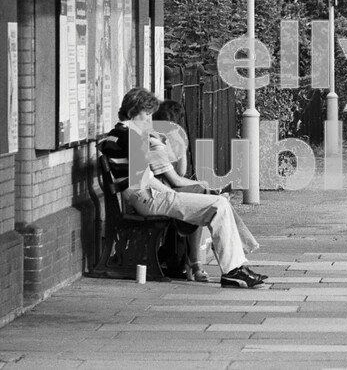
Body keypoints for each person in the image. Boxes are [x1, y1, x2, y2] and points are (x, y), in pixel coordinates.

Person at [98, 88, 266, 288]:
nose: (149, 119)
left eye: (151, 114)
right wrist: (169, 193)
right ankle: (232, 270)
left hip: (140, 196)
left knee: (219, 204)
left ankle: (235, 267)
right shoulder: (133, 135)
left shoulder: (116, 134)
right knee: (219, 204)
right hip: (148, 197)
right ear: (133, 110)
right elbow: (144, 179)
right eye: (146, 113)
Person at [151, 100, 259, 282]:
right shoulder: (153, 143)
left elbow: (180, 172)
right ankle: (215, 262)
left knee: (210, 196)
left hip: (168, 191)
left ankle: (210, 264)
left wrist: (180, 147)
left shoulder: (162, 140)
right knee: (207, 195)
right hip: (161, 195)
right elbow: (176, 179)